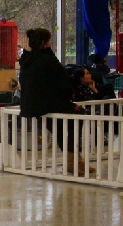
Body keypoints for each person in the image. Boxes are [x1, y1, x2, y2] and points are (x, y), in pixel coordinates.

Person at [19, 27, 91, 175]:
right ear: (45, 43)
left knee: (58, 129)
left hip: (31, 106)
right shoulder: (48, 59)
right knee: (77, 118)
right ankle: (74, 161)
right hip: (50, 104)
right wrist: (70, 93)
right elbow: (63, 81)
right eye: (49, 40)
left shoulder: (26, 60)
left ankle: (74, 161)